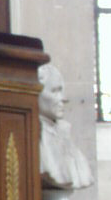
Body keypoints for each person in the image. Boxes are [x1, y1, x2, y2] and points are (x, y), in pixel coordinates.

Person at [38, 62, 93, 191]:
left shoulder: (64, 132)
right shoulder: (32, 137)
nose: (63, 98)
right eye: (55, 91)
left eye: (61, 91)